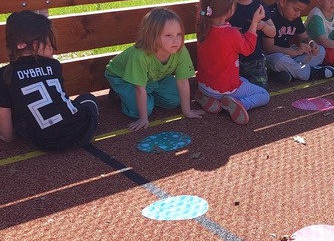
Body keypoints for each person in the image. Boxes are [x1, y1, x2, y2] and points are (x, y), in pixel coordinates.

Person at [0, 10, 99, 150]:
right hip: (81, 131)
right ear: (30, 45)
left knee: (17, 116)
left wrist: (8, 138)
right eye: (47, 42)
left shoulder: (5, 74)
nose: (51, 46)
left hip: (46, 144)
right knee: (88, 98)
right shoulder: (54, 65)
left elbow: (4, 116)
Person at [105, 8, 204, 130]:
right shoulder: (139, 56)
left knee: (176, 99)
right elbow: (139, 88)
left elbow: (183, 81)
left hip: (154, 77)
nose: (176, 40)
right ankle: (120, 93)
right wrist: (143, 118)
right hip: (123, 78)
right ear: (152, 36)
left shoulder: (180, 50)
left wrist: (187, 111)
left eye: (179, 34)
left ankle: (148, 94)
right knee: (143, 110)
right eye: (168, 35)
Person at [195, 0, 270, 125]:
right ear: (230, 10)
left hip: (204, 85)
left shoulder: (201, 24)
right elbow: (248, 48)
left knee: (244, 81)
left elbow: (204, 2)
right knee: (264, 94)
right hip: (226, 90)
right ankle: (240, 103)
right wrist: (255, 22)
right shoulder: (231, 34)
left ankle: (209, 99)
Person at [262, 0, 334, 83]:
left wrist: (311, 43)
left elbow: (304, 37)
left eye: (300, 11)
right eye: (296, 10)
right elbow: (269, 49)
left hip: (290, 55)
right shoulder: (270, 15)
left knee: (321, 51)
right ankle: (310, 73)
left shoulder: (295, 17)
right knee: (278, 60)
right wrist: (294, 52)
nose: (298, 14)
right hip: (272, 56)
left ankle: (287, 73)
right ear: (283, 2)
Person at [227, 0, 276, 87]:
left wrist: (263, 25)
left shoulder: (259, 6)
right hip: (232, 59)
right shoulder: (228, 5)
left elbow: (273, 32)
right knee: (231, 87)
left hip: (255, 60)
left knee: (260, 88)